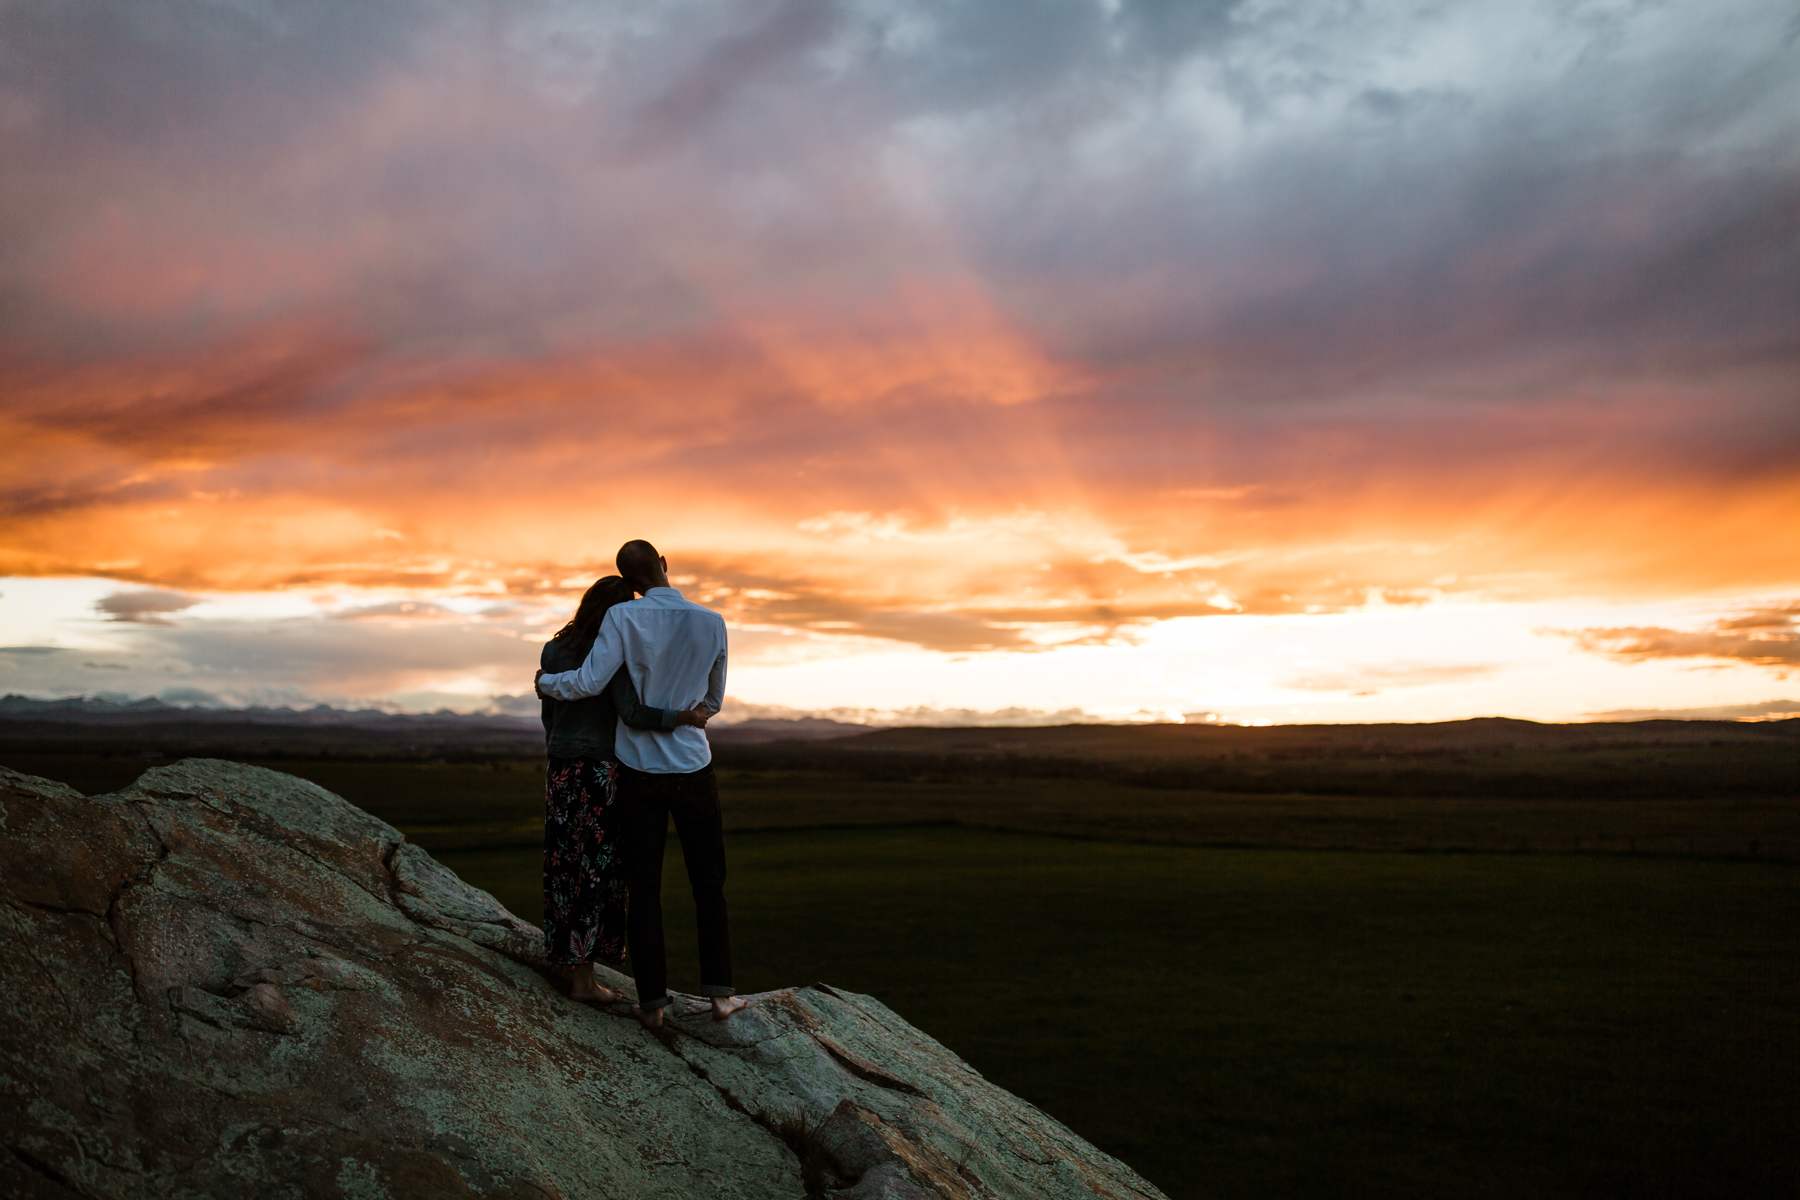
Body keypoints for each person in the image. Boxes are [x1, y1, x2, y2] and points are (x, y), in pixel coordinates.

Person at [535, 539, 748, 1028]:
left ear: (630, 583)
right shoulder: (712, 622)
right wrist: (693, 715)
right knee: (709, 883)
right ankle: (720, 997)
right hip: (694, 767)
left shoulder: (623, 619)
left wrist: (545, 683)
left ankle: (652, 1004)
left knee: (644, 887)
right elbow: (713, 701)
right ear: (665, 566)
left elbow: (589, 683)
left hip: (636, 772)